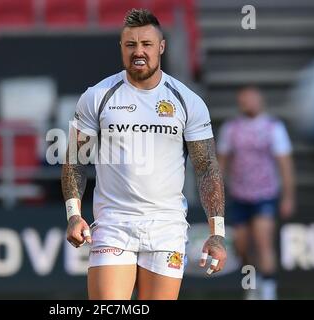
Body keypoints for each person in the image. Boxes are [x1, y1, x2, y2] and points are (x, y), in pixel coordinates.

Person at [61, 9, 226, 300]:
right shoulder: (98, 96)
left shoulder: (187, 101)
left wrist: (217, 233)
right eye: (131, 45)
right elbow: (75, 160)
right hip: (114, 223)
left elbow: (206, 167)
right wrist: (73, 215)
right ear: (122, 48)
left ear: (161, 47)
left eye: (147, 44)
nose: (139, 51)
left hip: (166, 227)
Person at [217, 86, 296, 300]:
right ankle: (251, 285)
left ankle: (269, 292)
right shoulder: (231, 128)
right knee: (242, 246)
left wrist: (288, 196)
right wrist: (216, 192)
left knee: (263, 242)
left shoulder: (273, 127)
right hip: (239, 194)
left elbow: (284, 163)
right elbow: (222, 162)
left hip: (265, 194)